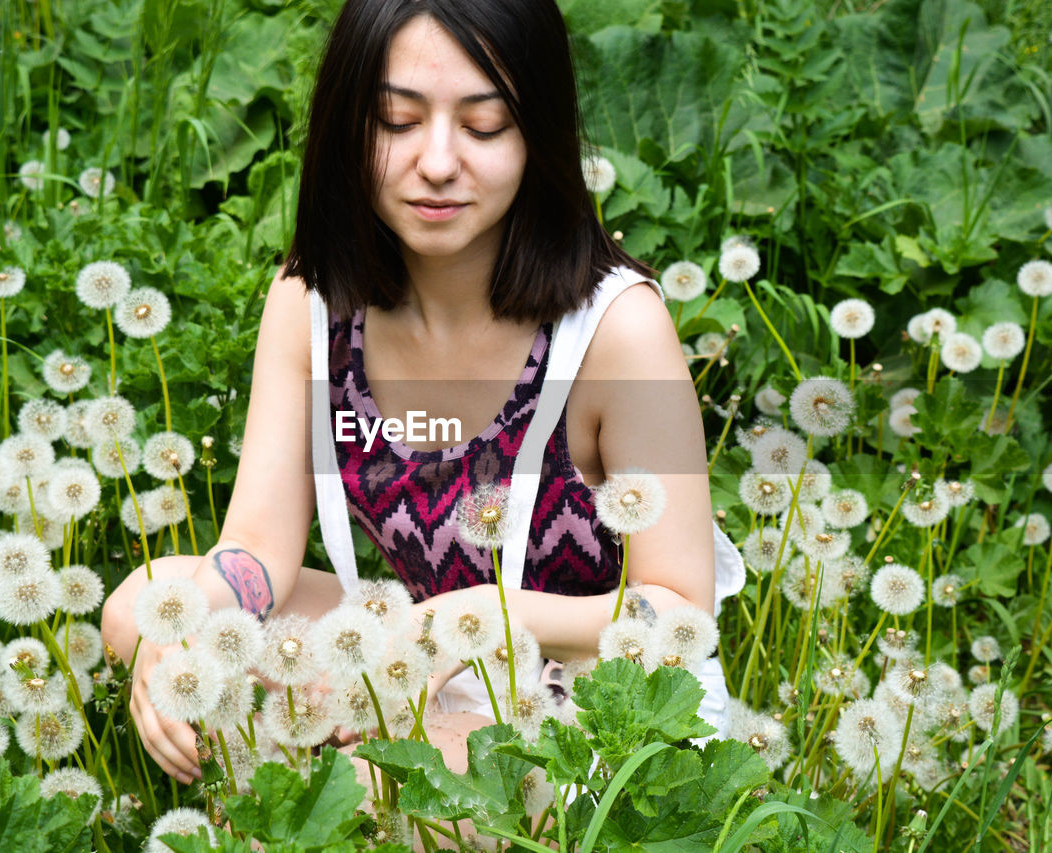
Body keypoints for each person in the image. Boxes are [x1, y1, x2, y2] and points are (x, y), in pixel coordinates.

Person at [100, 0, 745, 786]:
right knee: (143, 606)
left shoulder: (615, 331)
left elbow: (679, 615)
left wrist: (464, 622)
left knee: (408, 781)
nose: (437, 162)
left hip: (593, 702)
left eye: (483, 126)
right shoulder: (312, 305)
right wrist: (184, 634)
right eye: (397, 122)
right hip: (414, 655)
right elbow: (258, 547)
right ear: (346, 127)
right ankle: (353, 768)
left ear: (538, 134)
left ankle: (318, 790)